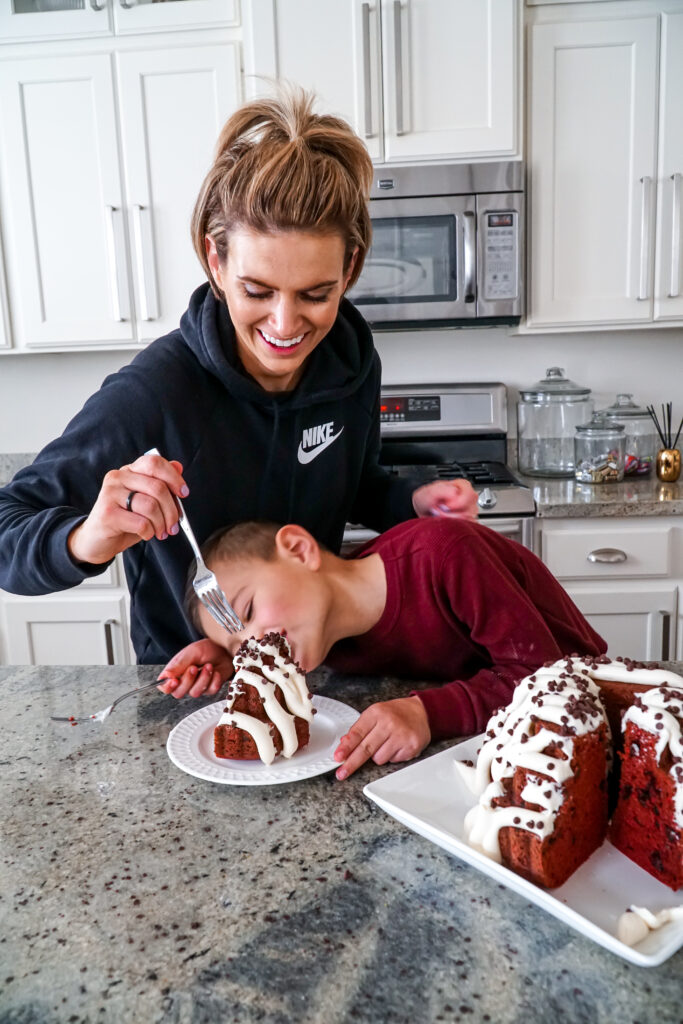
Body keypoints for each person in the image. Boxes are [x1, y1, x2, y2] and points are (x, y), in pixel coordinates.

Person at [0, 87, 476, 665]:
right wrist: (88, 538)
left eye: (316, 294)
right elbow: (7, 530)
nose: (285, 323)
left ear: (349, 269)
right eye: (257, 290)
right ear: (216, 261)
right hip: (188, 687)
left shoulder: (350, 364)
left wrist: (410, 499)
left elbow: (353, 483)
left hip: (310, 671)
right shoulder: (157, 392)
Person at [159, 517, 607, 780]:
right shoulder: (322, 635)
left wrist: (429, 713)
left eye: (249, 609)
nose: (254, 643)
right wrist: (232, 653)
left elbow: (551, 682)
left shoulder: (447, 555)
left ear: (298, 550)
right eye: (240, 644)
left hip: (592, 716)